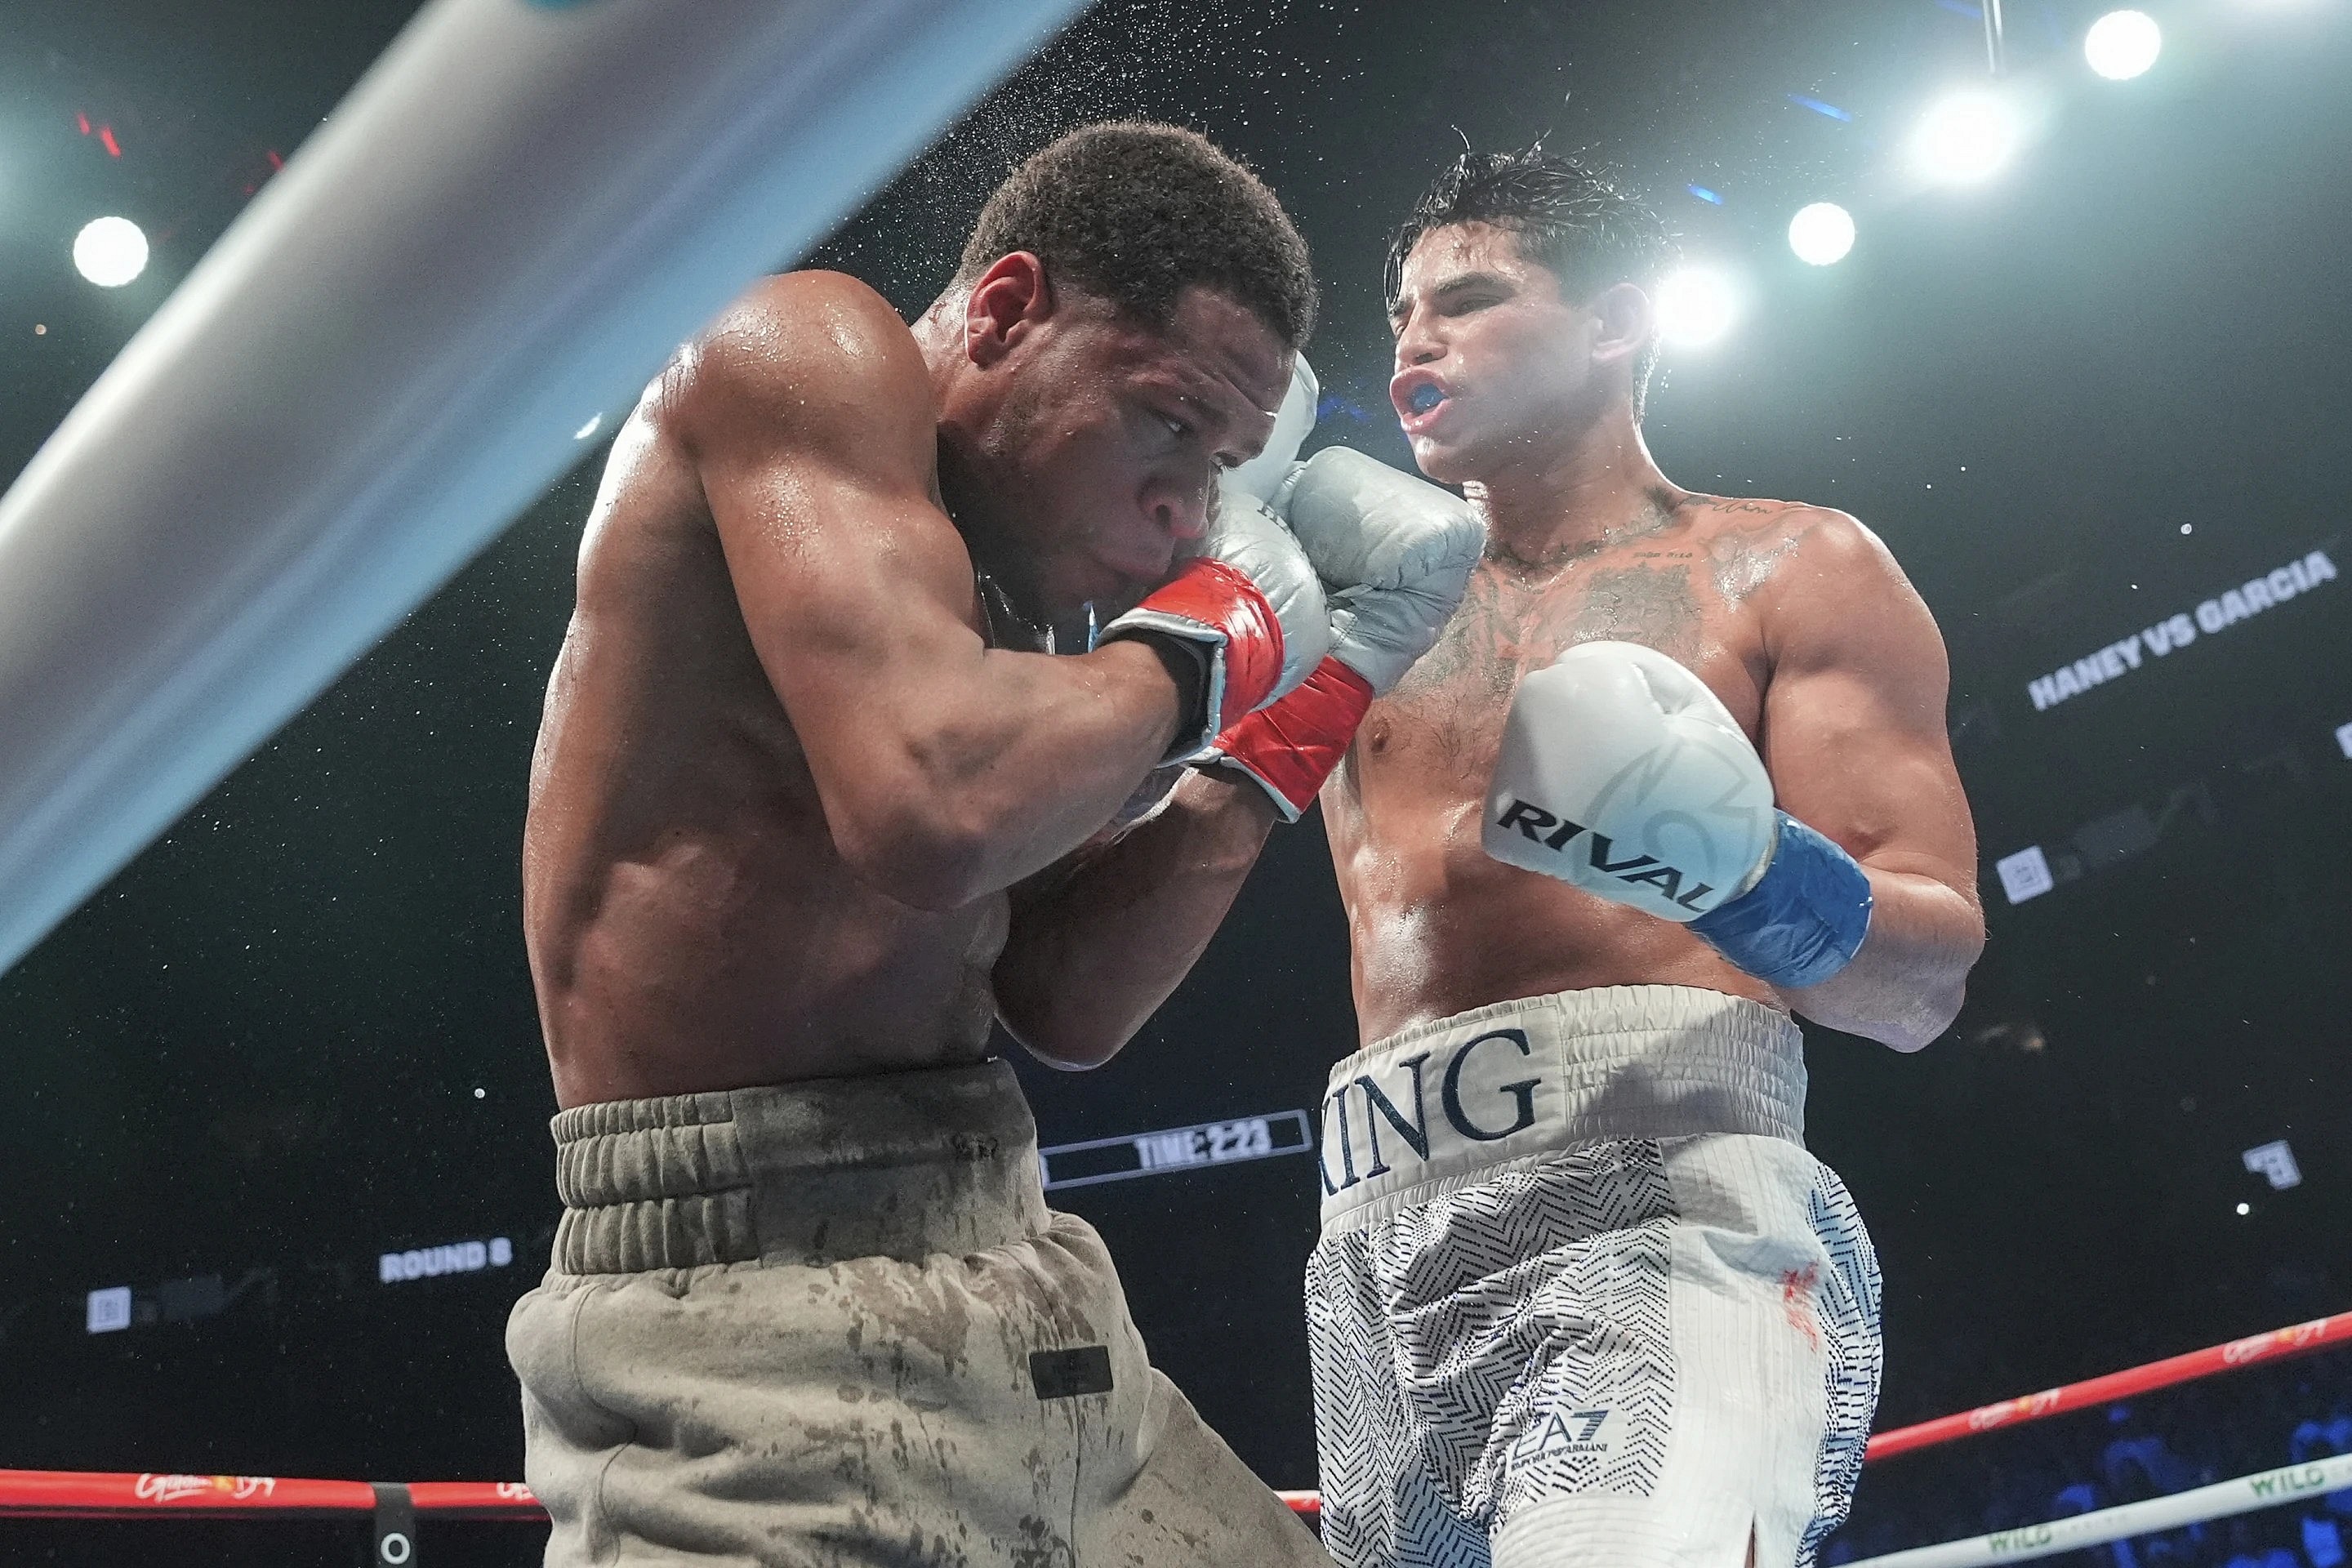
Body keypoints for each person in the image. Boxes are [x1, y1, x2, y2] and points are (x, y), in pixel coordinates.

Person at [510, 121, 1481, 1566]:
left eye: (1224, 466)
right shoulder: (802, 349)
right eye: (1169, 422)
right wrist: (1220, 639)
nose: (1187, 512)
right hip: (742, 1313)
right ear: (1010, 310)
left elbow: (1067, 1000)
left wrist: (1311, 703)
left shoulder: (1028, 608)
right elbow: (932, 810)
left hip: (1018, 1255)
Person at [1282, 145, 1989, 1568]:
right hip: (1367, 1243)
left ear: (1614, 323)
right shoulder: (1350, 604)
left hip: (1661, 1206)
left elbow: (1922, 988)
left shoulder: (1791, 568)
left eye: (1469, 301)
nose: (1414, 341)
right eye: (1402, 312)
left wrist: (1742, 870)